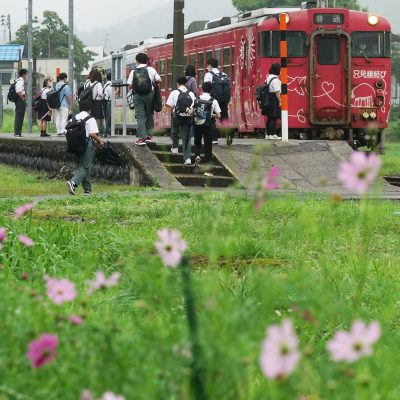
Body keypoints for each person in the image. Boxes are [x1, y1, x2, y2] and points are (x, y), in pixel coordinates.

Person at [66, 100, 104, 196]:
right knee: (85, 166)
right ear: (90, 109)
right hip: (86, 144)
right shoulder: (90, 119)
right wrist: (100, 141)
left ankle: (87, 190)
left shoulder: (73, 118)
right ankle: (73, 182)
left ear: (80, 108)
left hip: (74, 145)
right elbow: (92, 134)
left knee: (82, 166)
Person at [127, 52, 161, 146]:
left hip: (137, 96)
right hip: (150, 95)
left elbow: (130, 86)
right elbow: (159, 80)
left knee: (140, 116)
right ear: (146, 61)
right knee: (149, 114)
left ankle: (142, 138)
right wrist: (153, 84)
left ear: (137, 61)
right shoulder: (150, 69)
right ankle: (149, 136)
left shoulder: (133, 71)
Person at [166, 76, 196, 166]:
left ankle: (175, 148)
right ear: (186, 83)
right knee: (186, 137)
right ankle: (187, 159)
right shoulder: (190, 93)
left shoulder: (174, 92)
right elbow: (194, 106)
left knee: (174, 130)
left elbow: (169, 106)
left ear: (177, 83)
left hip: (177, 116)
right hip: (187, 116)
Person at [194, 81, 221, 175]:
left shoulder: (196, 99)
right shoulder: (213, 101)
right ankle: (208, 171)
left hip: (197, 124)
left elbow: (191, 111)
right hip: (208, 125)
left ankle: (197, 155)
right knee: (208, 147)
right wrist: (210, 115)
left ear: (202, 89)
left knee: (197, 142)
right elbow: (218, 115)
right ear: (211, 90)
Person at [204, 58, 231, 144]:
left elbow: (206, 88)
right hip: (224, 99)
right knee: (224, 117)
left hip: (213, 100)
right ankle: (229, 134)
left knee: (212, 118)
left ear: (209, 65)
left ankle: (214, 138)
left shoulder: (208, 74)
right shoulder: (224, 74)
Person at [84, 69, 105, 135]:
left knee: (90, 117)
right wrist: (104, 96)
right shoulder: (98, 84)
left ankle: (90, 131)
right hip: (97, 102)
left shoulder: (89, 83)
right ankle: (96, 132)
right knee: (97, 118)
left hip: (90, 102)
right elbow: (100, 93)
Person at [264, 63, 282, 140]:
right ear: (277, 70)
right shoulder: (276, 80)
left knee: (269, 117)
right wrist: (280, 101)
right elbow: (277, 92)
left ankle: (268, 134)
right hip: (273, 99)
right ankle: (272, 134)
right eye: (280, 70)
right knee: (273, 117)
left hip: (267, 98)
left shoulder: (268, 78)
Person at [14, 68, 27, 137]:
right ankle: (17, 132)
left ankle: (18, 132)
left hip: (19, 100)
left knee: (19, 116)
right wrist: (23, 100)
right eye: (26, 74)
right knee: (19, 117)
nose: (26, 76)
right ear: (23, 74)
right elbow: (19, 92)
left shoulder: (18, 81)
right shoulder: (20, 81)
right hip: (20, 100)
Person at [103, 72, 112, 137]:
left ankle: (107, 131)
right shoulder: (110, 85)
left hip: (106, 101)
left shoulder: (106, 84)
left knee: (107, 117)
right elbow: (111, 95)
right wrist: (116, 92)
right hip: (109, 101)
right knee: (109, 117)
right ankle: (107, 132)